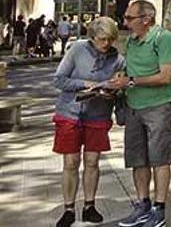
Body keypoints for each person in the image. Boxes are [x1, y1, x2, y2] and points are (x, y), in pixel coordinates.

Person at [109, 0, 171, 227]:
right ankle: (142, 205)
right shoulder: (131, 41)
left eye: (130, 18)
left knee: (160, 158)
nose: (125, 22)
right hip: (133, 106)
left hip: (160, 105)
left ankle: (159, 209)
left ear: (146, 19)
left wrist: (130, 81)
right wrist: (119, 80)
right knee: (138, 159)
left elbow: (165, 76)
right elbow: (129, 68)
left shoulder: (164, 39)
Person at [52, 17, 124, 227]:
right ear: (92, 37)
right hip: (70, 112)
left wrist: (113, 92)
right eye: (102, 39)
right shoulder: (77, 49)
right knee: (71, 162)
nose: (106, 43)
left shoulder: (118, 60)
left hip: (98, 114)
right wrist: (86, 84)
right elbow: (59, 79)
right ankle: (68, 208)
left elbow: (120, 88)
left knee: (92, 162)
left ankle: (89, 206)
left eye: (111, 39)